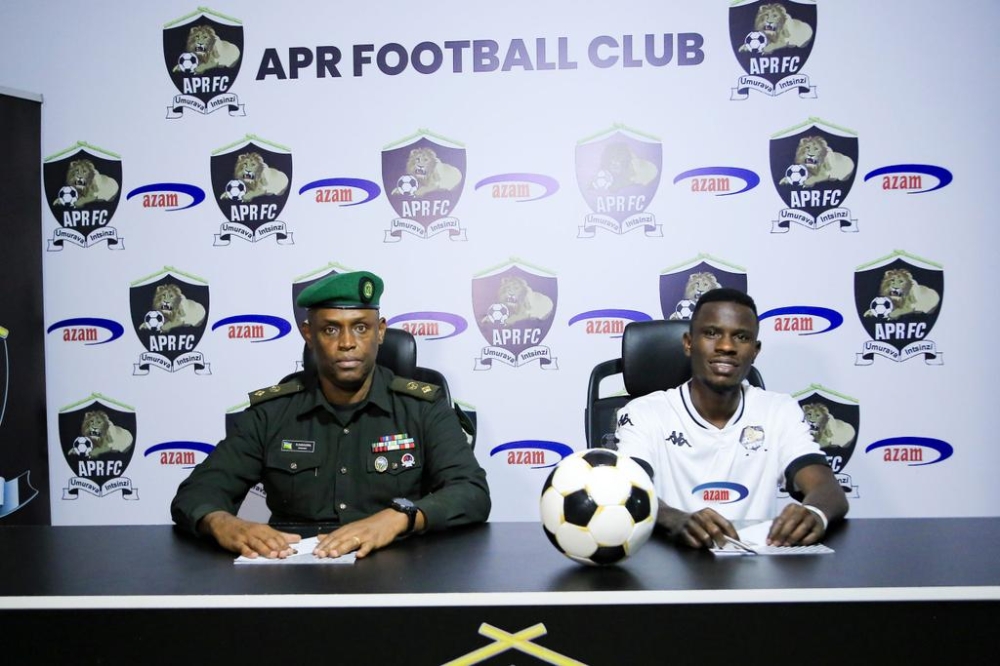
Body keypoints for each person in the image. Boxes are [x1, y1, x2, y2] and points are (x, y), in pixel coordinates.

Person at [171, 270, 491, 559]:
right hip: (296, 570)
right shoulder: (272, 412)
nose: (347, 343)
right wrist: (223, 523)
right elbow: (198, 491)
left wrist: (398, 517)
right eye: (331, 330)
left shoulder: (422, 406)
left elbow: (471, 491)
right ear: (309, 335)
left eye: (361, 328)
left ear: (380, 332)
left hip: (398, 563)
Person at [614, 288, 848, 549]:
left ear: (755, 351)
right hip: (671, 565)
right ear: (689, 343)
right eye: (712, 333)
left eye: (741, 337)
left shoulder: (779, 410)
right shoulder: (644, 413)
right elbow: (628, 489)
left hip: (757, 573)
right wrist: (675, 519)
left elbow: (826, 487)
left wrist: (815, 514)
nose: (726, 346)